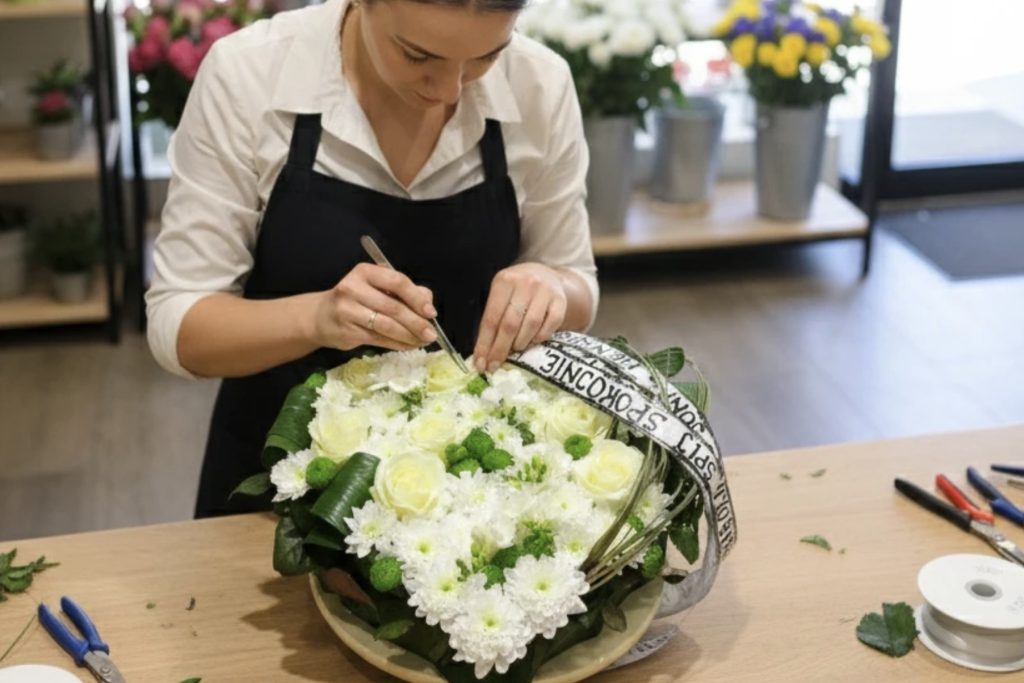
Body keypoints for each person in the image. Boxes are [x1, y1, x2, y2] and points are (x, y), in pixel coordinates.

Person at [146, 0, 599, 518]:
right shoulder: (251, 75)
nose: (449, 90)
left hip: (471, 493)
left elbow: (578, 285)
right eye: (417, 55)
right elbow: (178, 325)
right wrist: (317, 318)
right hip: (279, 480)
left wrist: (551, 288)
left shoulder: (540, 83)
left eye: (486, 57)